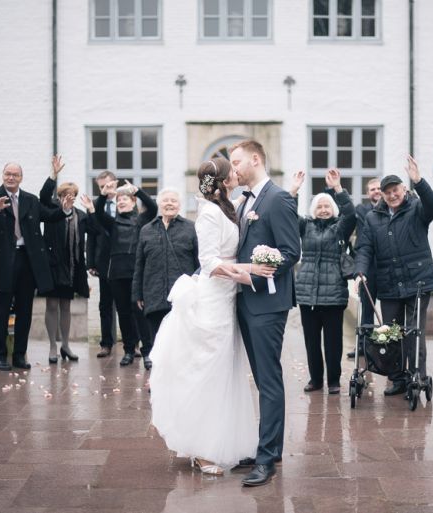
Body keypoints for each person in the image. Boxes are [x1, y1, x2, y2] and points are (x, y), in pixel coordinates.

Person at [149, 158, 274, 476]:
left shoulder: (230, 206)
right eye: (231, 170)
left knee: (225, 373)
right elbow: (208, 262)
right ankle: (202, 450)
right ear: (221, 180)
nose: (236, 172)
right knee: (207, 372)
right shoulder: (207, 213)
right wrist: (248, 272)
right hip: (212, 302)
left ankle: (220, 441)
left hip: (227, 300)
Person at [231, 140, 301, 487]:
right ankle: (264, 446)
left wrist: (260, 268)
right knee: (260, 380)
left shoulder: (278, 198)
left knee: (269, 382)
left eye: (237, 161)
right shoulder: (245, 202)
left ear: (255, 159)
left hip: (268, 304)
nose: (234, 169)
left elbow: (290, 251)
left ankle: (268, 457)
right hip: (245, 302)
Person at [354, 156, 433, 397]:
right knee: (392, 333)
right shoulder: (373, 217)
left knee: (414, 332)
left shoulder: (416, 208)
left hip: (418, 282)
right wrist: (360, 271)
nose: (392, 195)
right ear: (381, 194)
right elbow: (365, 248)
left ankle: (417, 376)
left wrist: (419, 181)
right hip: (389, 283)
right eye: (387, 192)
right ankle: (398, 379)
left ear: (403, 189)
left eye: (396, 190)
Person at [0, 161, 73, 371]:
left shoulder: (30, 199)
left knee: (25, 310)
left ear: (21, 177)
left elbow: (49, 216)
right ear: (2, 175)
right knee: (2, 309)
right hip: (5, 260)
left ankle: (20, 355)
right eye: (7, 174)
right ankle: (0, 356)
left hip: (28, 260)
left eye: (15, 175)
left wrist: (65, 210)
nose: (11, 178)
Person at [289, 169, 356, 395]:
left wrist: (338, 188)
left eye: (327, 206)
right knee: (311, 341)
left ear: (333, 208)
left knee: (333, 342)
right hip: (307, 293)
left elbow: (351, 214)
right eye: (319, 206)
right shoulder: (304, 225)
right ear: (313, 210)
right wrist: (294, 190)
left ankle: (334, 381)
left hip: (333, 294)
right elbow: (287, 213)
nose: (324, 210)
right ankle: (315, 379)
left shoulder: (340, 228)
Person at [94, 179, 157, 369]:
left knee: (139, 313)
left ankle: (147, 352)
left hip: (137, 273)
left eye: (125, 199)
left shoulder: (142, 220)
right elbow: (97, 212)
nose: (121, 201)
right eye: (119, 199)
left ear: (132, 203)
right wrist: (104, 194)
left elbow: (153, 207)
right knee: (123, 313)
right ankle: (129, 350)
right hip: (116, 274)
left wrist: (137, 190)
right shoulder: (112, 223)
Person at [132, 189, 199, 358]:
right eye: (165, 200)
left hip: (183, 298)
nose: (169, 203)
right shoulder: (147, 230)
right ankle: (159, 383)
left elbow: (200, 263)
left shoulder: (191, 228)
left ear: (179, 205)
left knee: (183, 344)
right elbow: (139, 264)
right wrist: (138, 294)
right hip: (154, 296)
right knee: (158, 344)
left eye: (174, 201)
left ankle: (181, 382)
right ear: (159, 204)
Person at [38, 156, 91, 364]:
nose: (70, 197)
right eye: (66, 194)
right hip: (52, 264)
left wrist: (92, 210)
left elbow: (93, 232)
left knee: (66, 307)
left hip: (71, 267)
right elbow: (43, 195)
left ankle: (66, 345)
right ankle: (52, 345)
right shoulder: (50, 208)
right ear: (59, 196)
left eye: (73, 194)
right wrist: (53, 174)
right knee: (51, 305)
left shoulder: (80, 215)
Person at [348, 177, 381, 358]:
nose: (376, 191)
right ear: (368, 193)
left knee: (392, 309)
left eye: (378, 188)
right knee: (366, 309)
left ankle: (387, 343)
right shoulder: (362, 210)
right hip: (368, 266)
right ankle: (363, 345)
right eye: (372, 189)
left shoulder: (392, 209)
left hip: (387, 267)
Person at [87, 171, 117, 358]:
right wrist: (91, 262)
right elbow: (91, 237)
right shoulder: (97, 207)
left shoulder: (127, 203)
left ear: (115, 183)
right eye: (101, 187)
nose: (105, 189)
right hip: (104, 263)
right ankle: (106, 344)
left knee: (129, 306)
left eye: (108, 185)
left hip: (125, 262)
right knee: (105, 305)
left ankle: (135, 344)